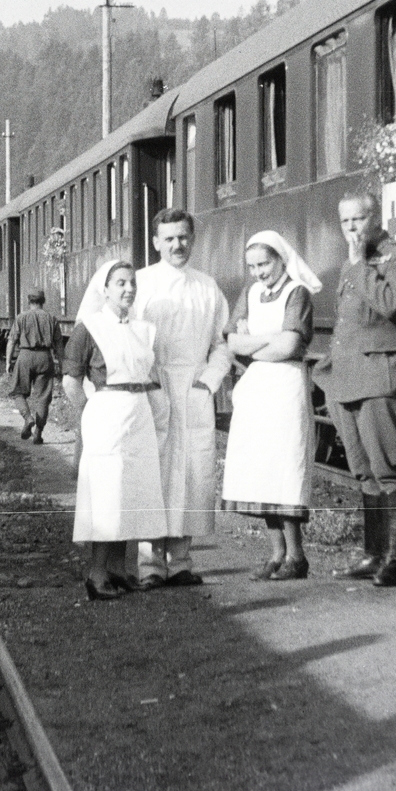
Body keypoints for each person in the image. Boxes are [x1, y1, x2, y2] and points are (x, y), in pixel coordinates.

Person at [314, 191, 396, 588]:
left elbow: (390, 303)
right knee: (364, 473)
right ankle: (373, 554)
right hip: (345, 381)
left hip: (381, 376)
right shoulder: (351, 264)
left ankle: (394, 562)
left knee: (389, 469)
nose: (352, 229)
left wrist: (360, 265)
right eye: (345, 222)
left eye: (358, 220)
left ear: (377, 218)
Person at [132, 209, 233, 588]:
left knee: (192, 473)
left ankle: (182, 561)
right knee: (154, 472)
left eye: (183, 237)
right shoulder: (141, 284)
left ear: (193, 239)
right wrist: (148, 377)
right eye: (169, 238)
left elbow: (221, 344)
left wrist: (208, 381)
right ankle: (150, 563)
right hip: (155, 387)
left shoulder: (208, 287)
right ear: (156, 242)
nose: (177, 245)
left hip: (193, 387)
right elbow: (131, 338)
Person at [63, 260, 168, 601]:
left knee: (132, 492)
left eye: (132, 282)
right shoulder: (88, 328)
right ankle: (96, 574)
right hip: (106, 415)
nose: (128, 289)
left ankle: (120, 571)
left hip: (138, 416)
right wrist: (89, 412)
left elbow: (150, 377)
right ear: (104, 289)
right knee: (106, 496)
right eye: (120, 282)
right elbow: (70, 381)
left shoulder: (143, 330)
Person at [222, 231, 321, 581]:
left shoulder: (297, 293)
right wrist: (267, 339)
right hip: (256, 389)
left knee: (284, 468)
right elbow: (231, 342)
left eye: (264, 263)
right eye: (252, 266)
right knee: (260, 470)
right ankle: (276, 554)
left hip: (285, 387)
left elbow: (291, 345)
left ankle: (297, 556)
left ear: (281, 259)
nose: (258, 272)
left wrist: (253, 342)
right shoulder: (250, 293)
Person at [7, 289, 61, 444]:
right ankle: (38, 433)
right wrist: (62, 364)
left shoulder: (21, 317)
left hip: (25, 356)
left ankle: (28, 418)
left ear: (28, 301)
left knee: (18, 392)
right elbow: (58, 345)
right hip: (45, 357)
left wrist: (8, 362)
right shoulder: (51, 318)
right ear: (43, 301)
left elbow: (11, 341)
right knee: (43, 398)